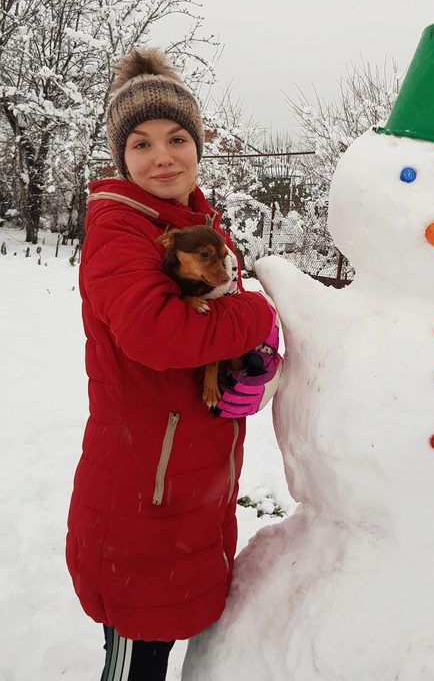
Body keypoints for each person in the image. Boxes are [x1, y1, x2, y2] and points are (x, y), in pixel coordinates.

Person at [65, 48, 279, 681]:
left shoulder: (195, 223)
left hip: (187, 486)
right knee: (136, 661)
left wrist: (255, 360)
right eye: (140, 143)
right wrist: (259, 319)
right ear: (120, 157)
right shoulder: (121, 229)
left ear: (199, 144)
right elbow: (158, 334)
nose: (162, 156)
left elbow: (216, 313)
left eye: (177, 137)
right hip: (141, 496)